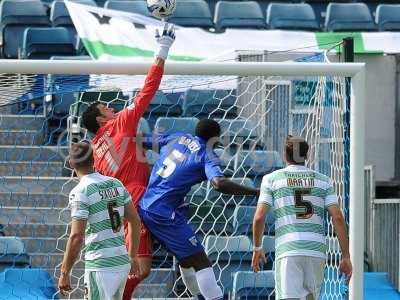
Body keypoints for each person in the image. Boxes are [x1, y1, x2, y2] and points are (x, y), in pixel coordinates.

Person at [80, 24, 175, 299]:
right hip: (135, 200)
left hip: (118, 204)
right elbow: (147, 90)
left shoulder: (96, 145)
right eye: (107, 108)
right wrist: (162, 50)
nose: (113, 107)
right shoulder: (121, 122)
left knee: (137, 266)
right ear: (102, 119)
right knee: (141, 268)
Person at [139, 119, 260, 300]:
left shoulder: (178, 137)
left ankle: (198, 297)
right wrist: (254, 192)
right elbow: (219, 183)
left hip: (146, 204)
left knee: (186, 260)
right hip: (163, 213)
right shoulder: (207, 154)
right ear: (216, 138)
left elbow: (141, 140)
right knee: (201, 262)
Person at [251, 135, 352, 300]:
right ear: (306, 155)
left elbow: (259, 217)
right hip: (316, 251)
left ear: (285, 155)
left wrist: (257, 248)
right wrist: (346, 256)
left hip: (288, 250)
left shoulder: (271, 179)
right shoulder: (324, 181)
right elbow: (338, 218)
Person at [58, 142, 141, 300]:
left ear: (71, 163)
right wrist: (132, 256)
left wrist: (64, 272)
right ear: (94, 159)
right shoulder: (116, 184)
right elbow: (135, 220)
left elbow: (76, 236)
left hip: (101, 265)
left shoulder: (80, 191)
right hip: (121, 263)